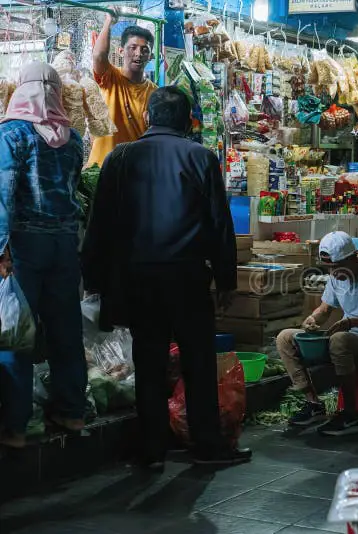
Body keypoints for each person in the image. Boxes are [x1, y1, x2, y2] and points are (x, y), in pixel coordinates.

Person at [82, 87, 249, 467]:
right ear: (188, 120)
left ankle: (152, 448)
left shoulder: (120, 157)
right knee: (198, 361)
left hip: (136, 278)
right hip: (187, 276)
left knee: (149, 361)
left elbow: (100, 224)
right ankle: (207, 446)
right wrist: (226, 279)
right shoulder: (201, 157)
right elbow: (219, 225)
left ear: (149, 117)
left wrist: (93, 275)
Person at [0, 63, 87, 447]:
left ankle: (15, 426)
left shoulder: (11, 135)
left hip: (23, 246)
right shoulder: (74, 140)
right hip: (65, 246)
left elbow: (2, 195)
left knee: (18, 332)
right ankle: (71, 413)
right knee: (66, 330)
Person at [276, 231, 358, 436]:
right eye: (329, 267)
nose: (333, 272)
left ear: (353, 257)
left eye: (337, 266)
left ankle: (351, 413)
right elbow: (324, 310)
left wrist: (352, 322)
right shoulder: (335, 278)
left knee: (339, 340)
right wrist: (312, 319)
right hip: (346, 340)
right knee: (285, 338)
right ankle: (313, 403)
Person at [87, 11, 157, 167]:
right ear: (120, 51)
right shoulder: (110, 77)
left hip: (136, 171)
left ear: (150, 56)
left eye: (144, 50)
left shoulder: (155, 93)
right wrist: (109, 22)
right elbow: (98, 55)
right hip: (101, 169)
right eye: (132, 48)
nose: (138, 54)